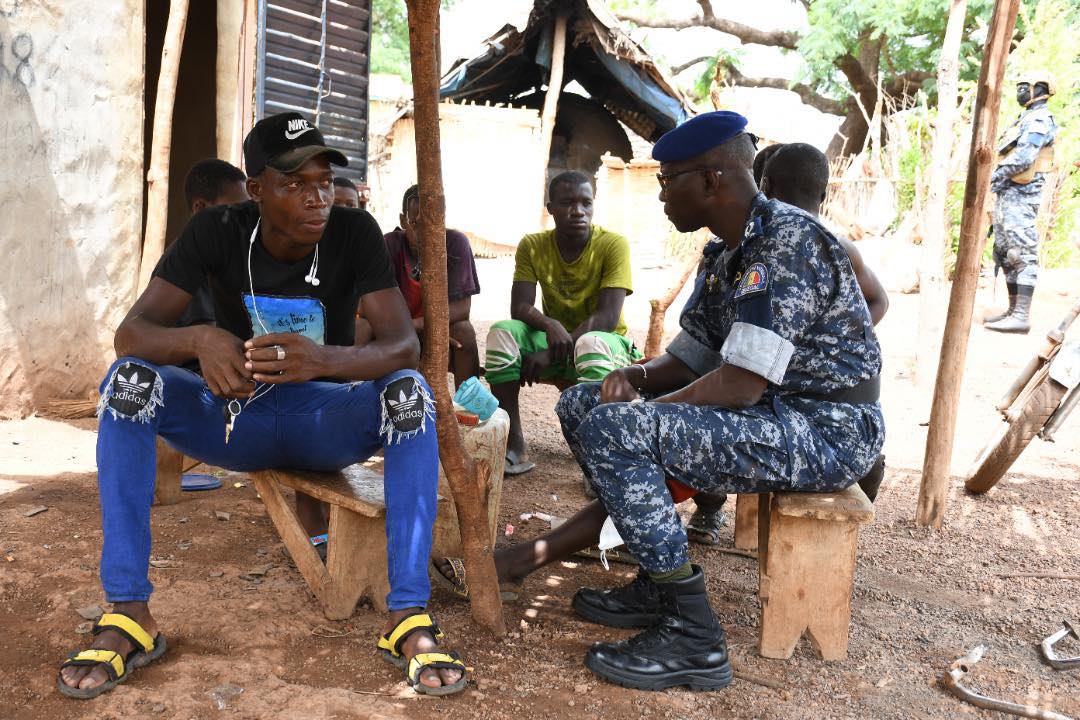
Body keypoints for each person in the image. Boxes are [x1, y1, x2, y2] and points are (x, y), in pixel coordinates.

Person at [57, 112, 467, 700]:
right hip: (233, 419)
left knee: (411, 395)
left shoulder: (353, 232)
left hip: (324, 418)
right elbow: (133, 333)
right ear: (257, 189)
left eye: (324, 181)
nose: (317, 197)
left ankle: (407, 616)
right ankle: (128, 613)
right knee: (127, 382)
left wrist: (323, 361)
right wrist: (198, 339)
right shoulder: (217, 231)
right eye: (296, 183)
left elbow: (403, 346)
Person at [558, 110, 884, 691]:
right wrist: (635, 375)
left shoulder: (784, 243)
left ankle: (694, 637)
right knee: (584, 406)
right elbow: (691, 358)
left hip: (828, 427)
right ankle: (661, 582)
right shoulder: (726, 252)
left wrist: (644, 414)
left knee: (617, 431)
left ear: (712, 182)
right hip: (776, 414)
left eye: (668, 180)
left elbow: (739, 384)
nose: (660, 195)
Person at [486, 170, 640, 475]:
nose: (578, 211)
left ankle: (598, 462)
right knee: (502, 333)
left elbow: (607, 317)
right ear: (550, 207)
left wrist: (553, 348)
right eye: (568, 202)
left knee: (590, 342)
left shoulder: (613, 245)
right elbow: (520, 306)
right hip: (557, 342)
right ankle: (514, 445)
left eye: (586, 203)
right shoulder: (532, 245)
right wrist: (549, 324)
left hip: (605, 346)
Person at [377, 184, 481, 387]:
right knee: (364, 328)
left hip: (431, 329)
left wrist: (424, 328)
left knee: (464, 333)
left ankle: (467, 408)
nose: (424, 233)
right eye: (416, 223)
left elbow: (461, 309)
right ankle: (364, 398)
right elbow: (375, 305)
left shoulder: (456, 243)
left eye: (431, 223)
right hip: (397, 331)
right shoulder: (390, 245)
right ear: (402, 221)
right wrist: (410, 328)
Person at [984, 73, 1058, 334]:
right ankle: (1012, 311)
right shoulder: (1025, 118)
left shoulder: (1039, 119)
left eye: (1023, 87)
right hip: (1009, 194)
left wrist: (991, 176)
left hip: (1022, 195)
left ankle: (1021, 316)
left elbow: (1024, 158)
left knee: (1022, 255)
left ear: (1039, 89)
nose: (1020, 92)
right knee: (1004, 253)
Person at [178, 159, 250, 329]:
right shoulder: (192, 258)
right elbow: (209, 337)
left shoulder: (227, 253)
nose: (245, 221)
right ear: (201, 209)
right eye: (235, 212)